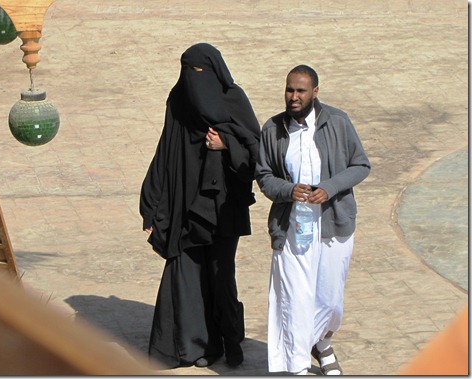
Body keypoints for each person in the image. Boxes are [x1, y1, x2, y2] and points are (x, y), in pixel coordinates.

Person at [139, 43, 260, 369]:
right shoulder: (179, 102)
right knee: (186, 275)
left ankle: (231, 342)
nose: (195, 80)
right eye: (189, 71)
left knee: (221, 277)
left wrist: (225, 144)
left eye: (201, 72)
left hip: (223, 208)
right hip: (185, 205)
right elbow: (165, 152)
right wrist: (151, 205)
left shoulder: (232, 98)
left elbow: (255, 151)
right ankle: (187, 347)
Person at [255, 65, 370, 375]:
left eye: (300, 91)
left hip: (333, 223)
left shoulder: (337, 121)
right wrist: (289, 190)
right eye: (289, 90)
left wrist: (329, 188)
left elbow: (360, 165)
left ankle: (321, 341)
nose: (293, 96)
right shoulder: (273, 129)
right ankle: (297, 364)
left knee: (330, 300)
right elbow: (264, 176)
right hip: (291, 227)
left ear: (315, 92)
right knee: (296, 298)